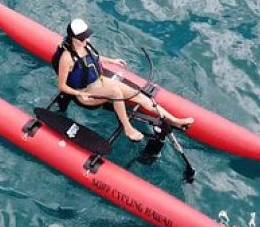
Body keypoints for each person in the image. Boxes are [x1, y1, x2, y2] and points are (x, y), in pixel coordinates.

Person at [54, 18, 194, 142]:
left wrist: (112, 61)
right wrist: (79, 94)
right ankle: (128, 128)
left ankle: (174, 120)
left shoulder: (85, 46)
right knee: (116, 93)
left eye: (87, 37)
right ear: (73, 38)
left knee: (139, 95)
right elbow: (62, 86)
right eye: (82, 38)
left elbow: (93, 58)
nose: (87, 40)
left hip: (101, 82)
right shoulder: (66, 58)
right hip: (86, 94)